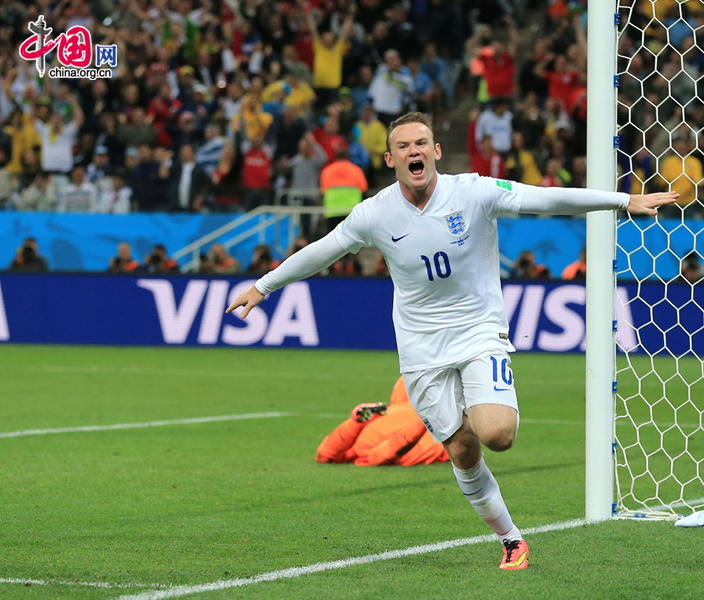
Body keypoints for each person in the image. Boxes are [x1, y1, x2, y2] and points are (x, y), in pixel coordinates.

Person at [227, 112, 676, 570]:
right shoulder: (375, 213)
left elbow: (544, 199)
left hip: (478, 332)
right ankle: (512, 539)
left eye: (422, 142)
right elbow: (323, 249)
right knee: (462, 448)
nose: (414, 151)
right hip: (421, 350)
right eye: (403, 146)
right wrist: (263, 286)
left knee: (497, 434)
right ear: (390, 159)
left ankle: (484, 398)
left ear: (437, 151)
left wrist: (621, 201)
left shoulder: (474, 192)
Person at [316, 376, 449, 466]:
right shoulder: (369, 456)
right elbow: (394, 446)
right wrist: (425, 419)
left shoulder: (360, 448)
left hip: (420, 415)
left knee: (410, 376)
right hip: (438, 430)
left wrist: (355, 422)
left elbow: (324, 454)